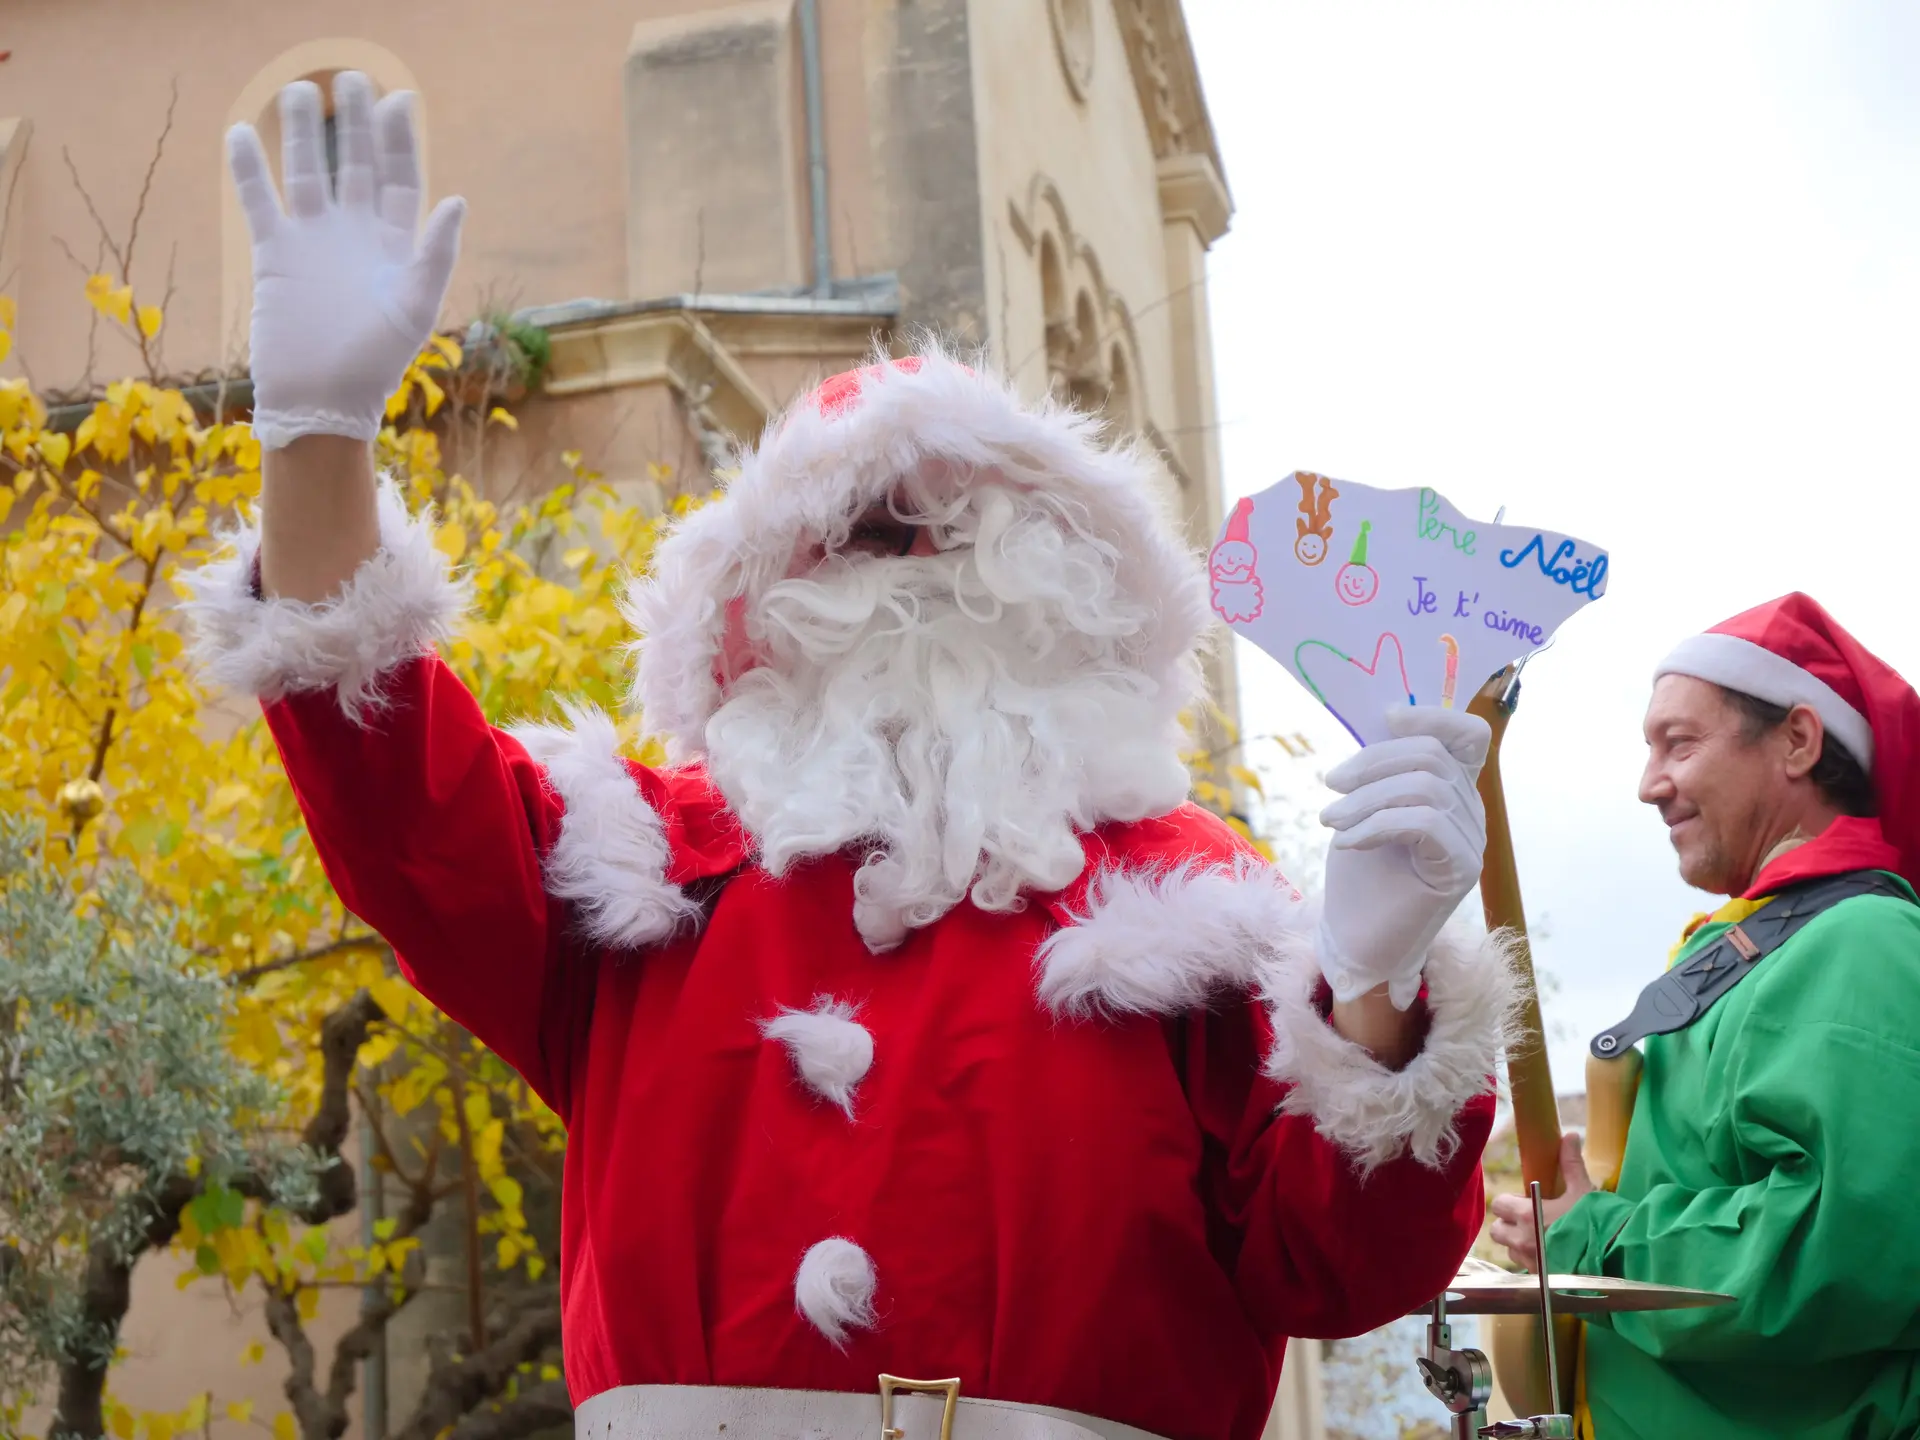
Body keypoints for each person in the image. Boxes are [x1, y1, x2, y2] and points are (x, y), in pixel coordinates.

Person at [189, 74, 1518, 1440]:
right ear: (749, 605)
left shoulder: (1198, 907)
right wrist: (318, 447)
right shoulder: (632, 876)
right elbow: (397, 794)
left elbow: (1336, 1264)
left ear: (1080, 584)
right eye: (858, 534)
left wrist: (1373, 997)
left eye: (953, 528)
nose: (907, 563)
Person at [1491, 594, 1920, 1439]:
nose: (1650, 784)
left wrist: (1592, 1238)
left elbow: (1842, 1252)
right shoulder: (1765, 946)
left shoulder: (1859, 943)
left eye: (1678, 743)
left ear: (1798, 741)